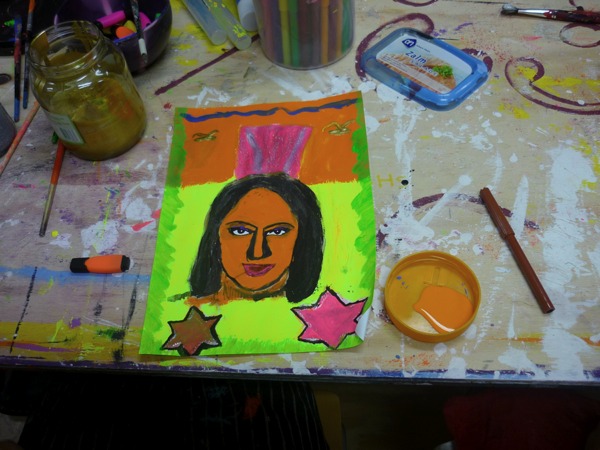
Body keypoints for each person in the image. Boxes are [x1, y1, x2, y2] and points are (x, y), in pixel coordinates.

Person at [189, 172, 324, 303]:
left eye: (277, 232)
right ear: (215, 237)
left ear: (303, 238)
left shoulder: (316, 310)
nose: (257, 252)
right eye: (240, 231)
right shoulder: (188, 309)